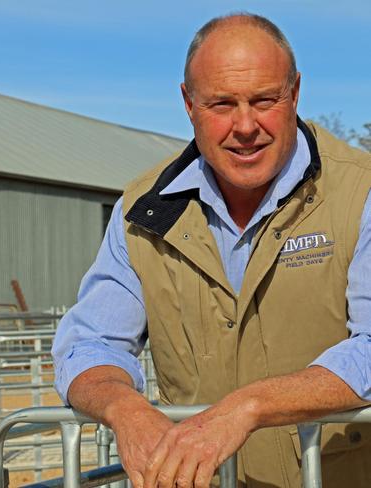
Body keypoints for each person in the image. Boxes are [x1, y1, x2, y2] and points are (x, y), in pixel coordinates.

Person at [51, 12, 371, 488]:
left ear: (295, 93)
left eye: (264, 100)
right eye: (221, 103)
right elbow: (88, 343)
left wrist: (247, 408)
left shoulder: (360, 192)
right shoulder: (142, 212)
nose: (245, 126)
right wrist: (126, 409)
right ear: (188, 102)